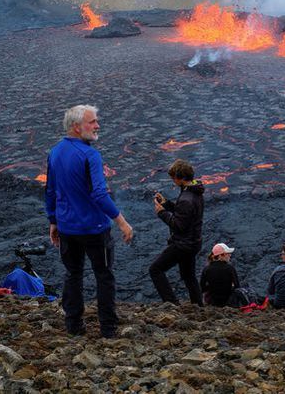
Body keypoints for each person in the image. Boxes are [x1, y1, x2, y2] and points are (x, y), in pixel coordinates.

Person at [45, 104, 133, 338]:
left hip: (67, 228)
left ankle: (73, 326)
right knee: (104, 276)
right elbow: (99, 194)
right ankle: (108, 329)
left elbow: (51, 190)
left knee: (73, 274)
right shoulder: (90, 154)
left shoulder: (55, 152)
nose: (97, 125)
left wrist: (53, 221)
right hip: (94, 229)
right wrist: (121, 221)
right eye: (92, 122)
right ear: (76, 127)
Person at [151, 159, 205, 306]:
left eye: (173, 177)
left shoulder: (187, 198)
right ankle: (198, 306)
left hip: (183, 244)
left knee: (155, 269)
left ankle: (171, 304)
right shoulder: (194, 191)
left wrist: (162, 212)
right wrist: (167, 204)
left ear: (180, 178)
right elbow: (184, 214)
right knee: (189, 276)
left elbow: (179, 225)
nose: (172, 180)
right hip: (194, 242)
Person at [200, 243, 239, 307]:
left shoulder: (206, 269)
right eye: (227, 253)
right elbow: (237, 286)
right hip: (228, 302)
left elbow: (202, 287)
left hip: (212, 302)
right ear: (220, 255)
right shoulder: (230, 268)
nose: (230, 255)